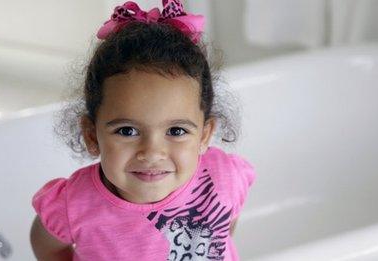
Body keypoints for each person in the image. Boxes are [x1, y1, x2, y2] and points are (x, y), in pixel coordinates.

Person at [29, 0, 256, 260]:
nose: (152, 153)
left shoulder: (223, 176)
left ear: (204, 135)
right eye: (127, 131)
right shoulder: (73, 205)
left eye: (177, 131)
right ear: (92, 135)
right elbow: (47, 247)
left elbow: (227, 226)